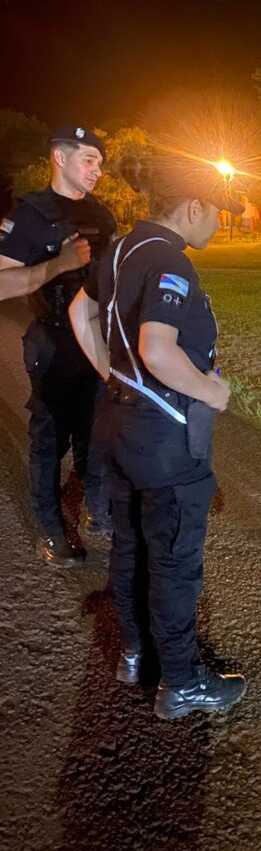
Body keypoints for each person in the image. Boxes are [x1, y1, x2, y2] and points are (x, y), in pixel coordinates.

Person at [69, 154, 247, 719]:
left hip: (117, 427)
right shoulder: (172, 260)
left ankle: (134, 653)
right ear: (193, 207)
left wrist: (113, 378)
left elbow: (81, 312)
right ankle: (180, 683)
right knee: (173, 560)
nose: (221, 222)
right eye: (218, 211)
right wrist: (210, 392)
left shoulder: (120, 249)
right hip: (166, 438)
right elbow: (157, 349)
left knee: (130, 546)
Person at [0, 125, 115, 566]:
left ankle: (97, 511)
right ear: (59, 158)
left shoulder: (103, 216)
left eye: (100, 163)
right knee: (49, 441)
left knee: (100, 431)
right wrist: (58, 265)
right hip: (53, 343)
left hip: (98, 339)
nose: (98, 170)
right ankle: (50, 531)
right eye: (89, 159)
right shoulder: (27, 216)